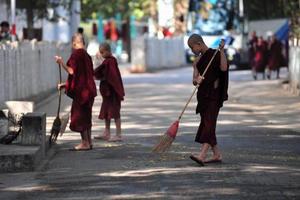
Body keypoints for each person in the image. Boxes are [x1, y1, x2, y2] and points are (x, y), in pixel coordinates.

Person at [187, 34, 228, 166]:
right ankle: (217, 155)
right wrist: (195, 77)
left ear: (198, 44)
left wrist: (222, 51)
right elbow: (195, 80)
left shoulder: (215, 54)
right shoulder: (198, 60)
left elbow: (223, 68)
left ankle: (202, 155)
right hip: (203, 96)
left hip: (214, 96)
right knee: (207, 123)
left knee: (209, 124)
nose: (192, 51)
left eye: (192, 47)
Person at [55, 33, 97, 150]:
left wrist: (61, 62)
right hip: (89, 91)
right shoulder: (87, 56)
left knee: (79, 117)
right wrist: (65, 85)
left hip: (81, 92)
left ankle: (84, 143)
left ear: (74, 44)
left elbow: (72, 71)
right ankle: (89, 142)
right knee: (86, 116)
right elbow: (83, 75)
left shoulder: (76, 55)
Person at [94, 42, 125, 142]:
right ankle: (107, 132)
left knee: (115, 113)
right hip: (107, 94)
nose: (102, 55)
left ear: (108, 51)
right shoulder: (106, 61)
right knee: (107, 113)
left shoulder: (110, 62)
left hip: (112, 93)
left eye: (102, 52)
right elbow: (101, 72)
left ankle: (118, 134)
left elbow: (112, 77)